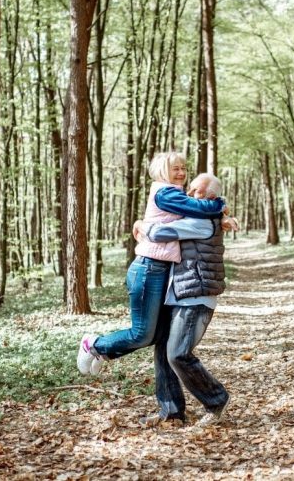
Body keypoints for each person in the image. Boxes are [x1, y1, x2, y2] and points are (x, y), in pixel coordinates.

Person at [77, 153, 225, 375]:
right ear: (163, 170)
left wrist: (223, 213)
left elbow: (198, 209)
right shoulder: (165, 193)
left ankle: (105, 352)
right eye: (175, 168)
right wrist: (220, 204)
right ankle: (95, 345)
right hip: (149, 268)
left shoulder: (174, 194)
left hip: (162, 269)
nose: (182, 173)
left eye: (184, 167)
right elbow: (201, 208)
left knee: (155, 335)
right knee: (143, 333)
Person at [133, 173, 235, 427]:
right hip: (179, 294)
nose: (190, 195)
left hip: (196, 296)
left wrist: (140, 224)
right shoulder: (198, 216)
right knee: (162, 351)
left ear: (211, 197)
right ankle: (172, 412)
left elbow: (159, 233)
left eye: (197, 192)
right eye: (189, 190)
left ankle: (216, 400)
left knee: (178, 354)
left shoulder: (202, 222)